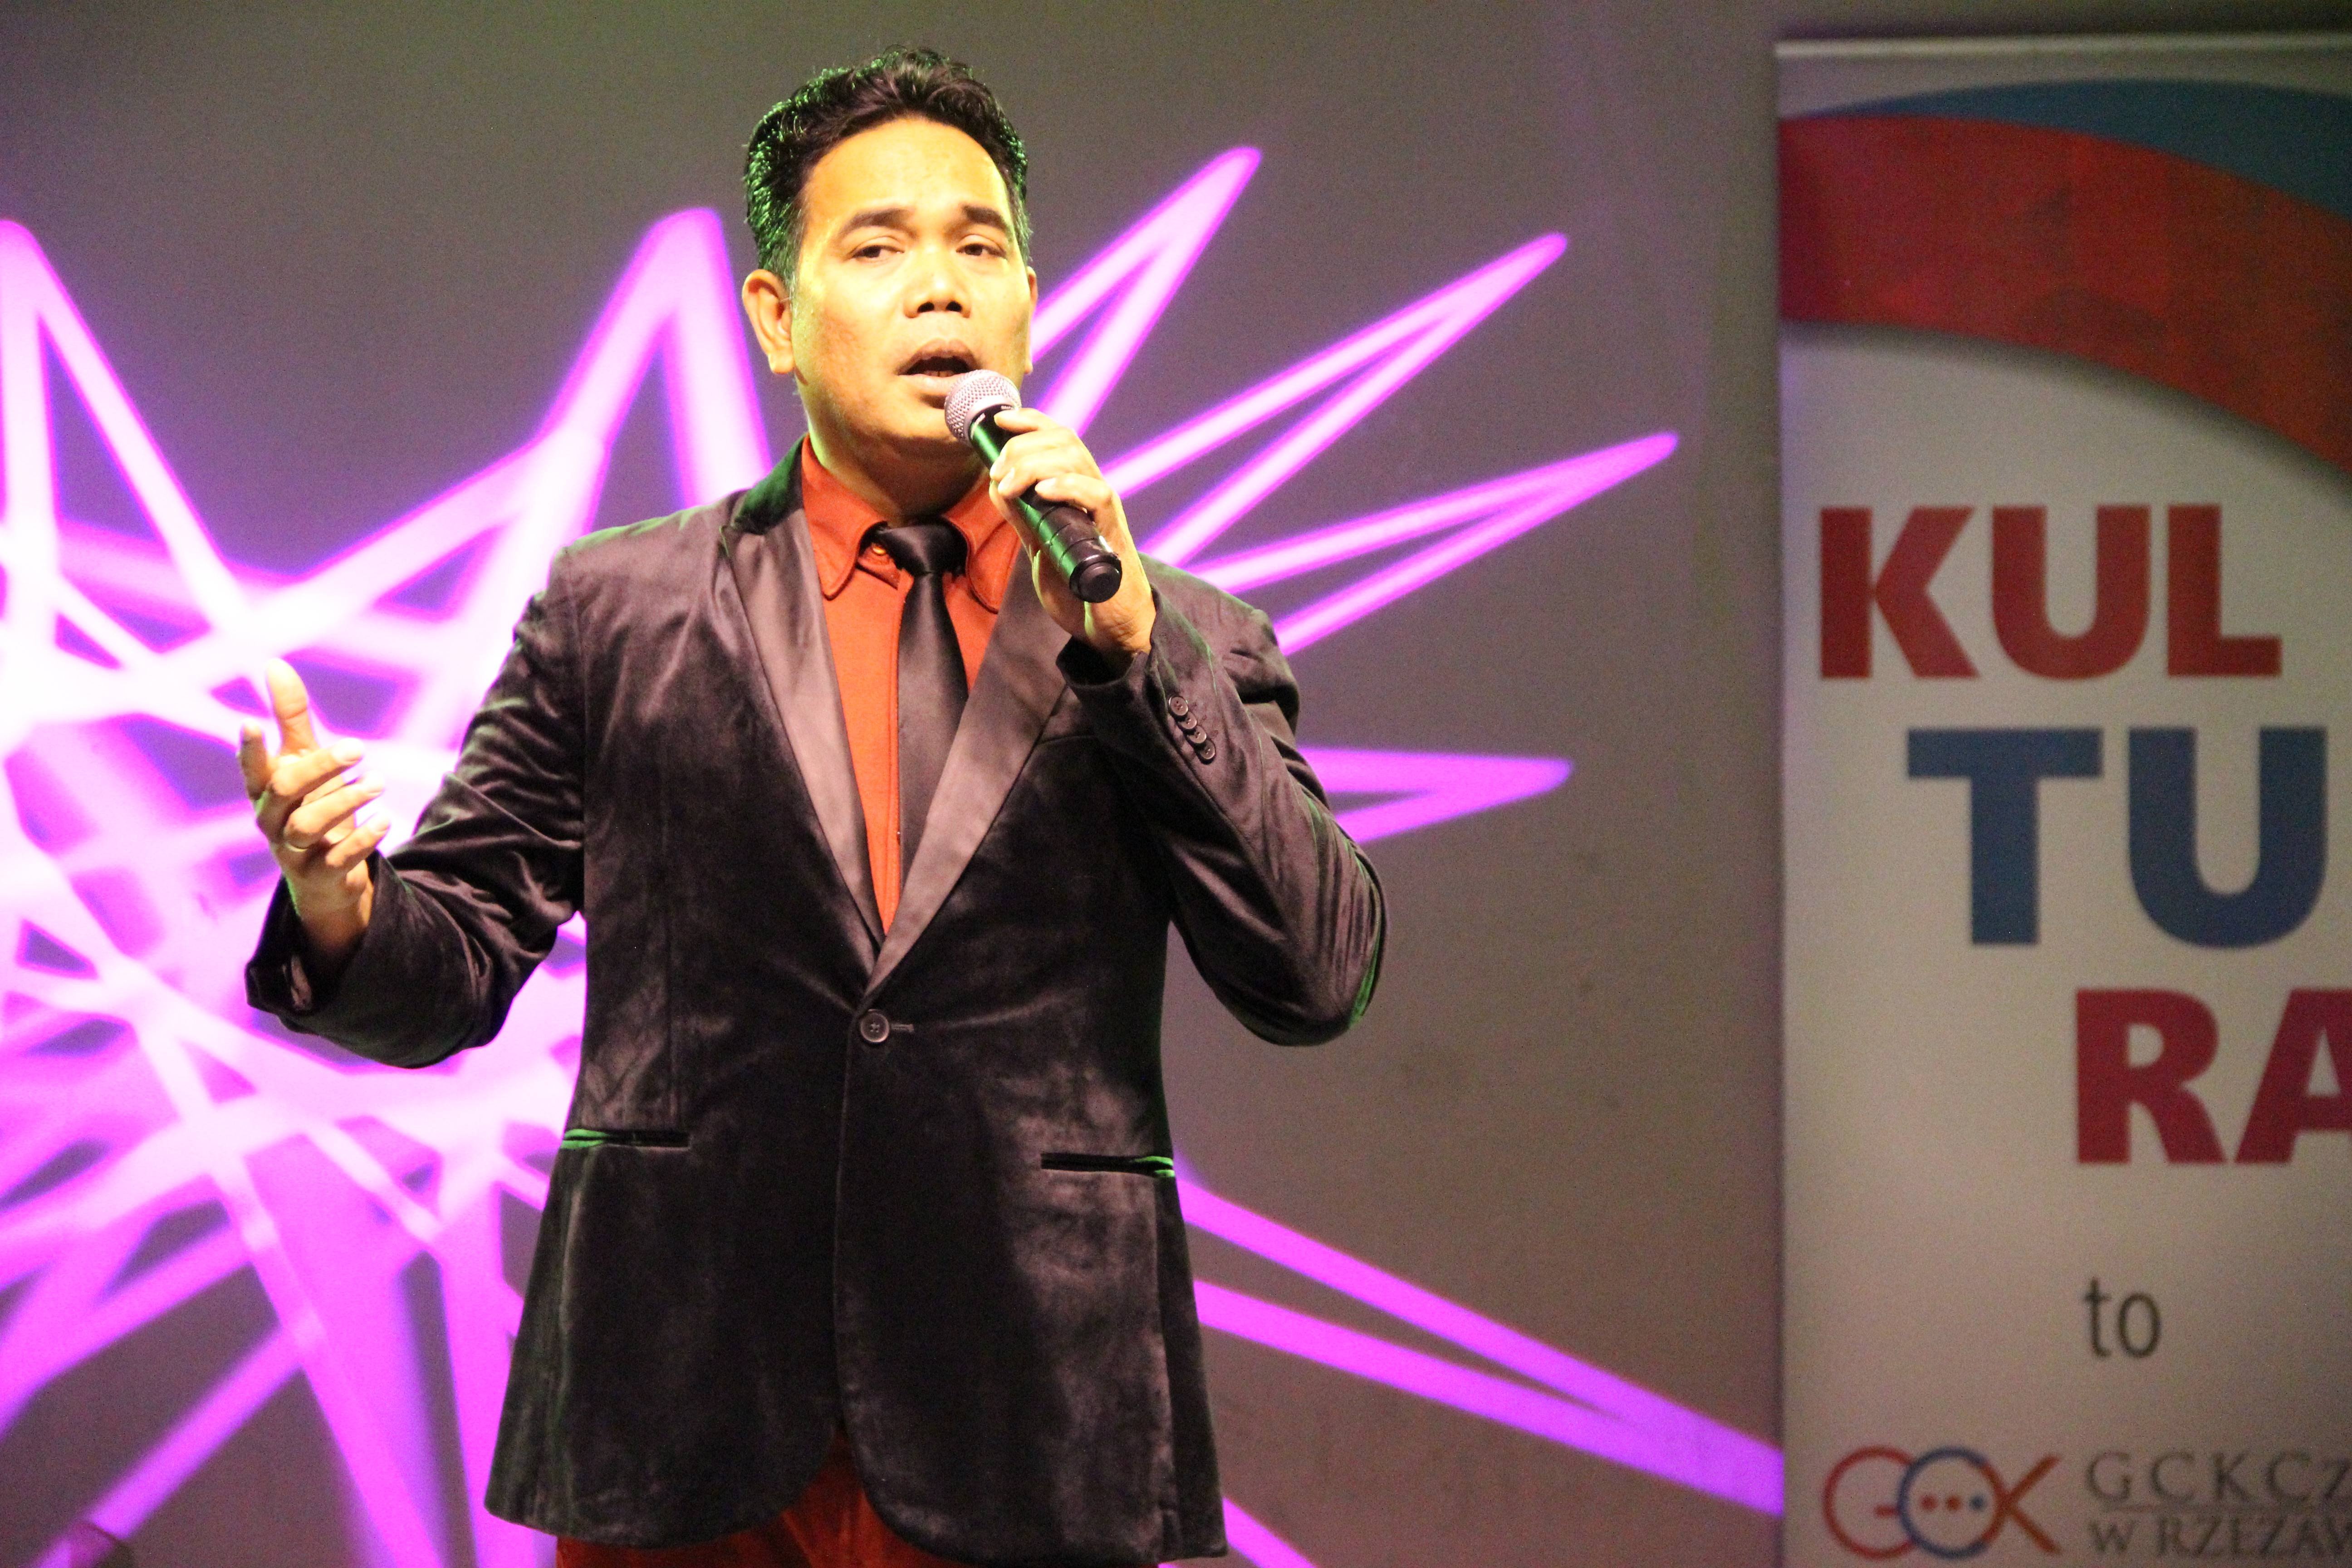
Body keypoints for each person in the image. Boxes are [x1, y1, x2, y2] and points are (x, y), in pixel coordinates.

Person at [239, 46, 1383, 1568]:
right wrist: (341, 905)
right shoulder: (618, 609)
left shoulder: (1176, 632)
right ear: (777, 318)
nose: (940, 288)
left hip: (1041, 1411)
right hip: (685, 1406)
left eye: (980, 249)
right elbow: (447, 969)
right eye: (880, 248)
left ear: (1029, 302)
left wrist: (1133, 653)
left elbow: (1314, 971)